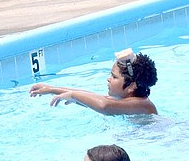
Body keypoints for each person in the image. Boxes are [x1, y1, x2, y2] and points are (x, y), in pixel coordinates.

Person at [29, 48, 158, 115]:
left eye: (114, 77)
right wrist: (52, 89)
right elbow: (95, 99)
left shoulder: (143, 105)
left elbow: (104, 106)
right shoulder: (126, 101)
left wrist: (73, 96)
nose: (109, 79)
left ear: (131, 86)